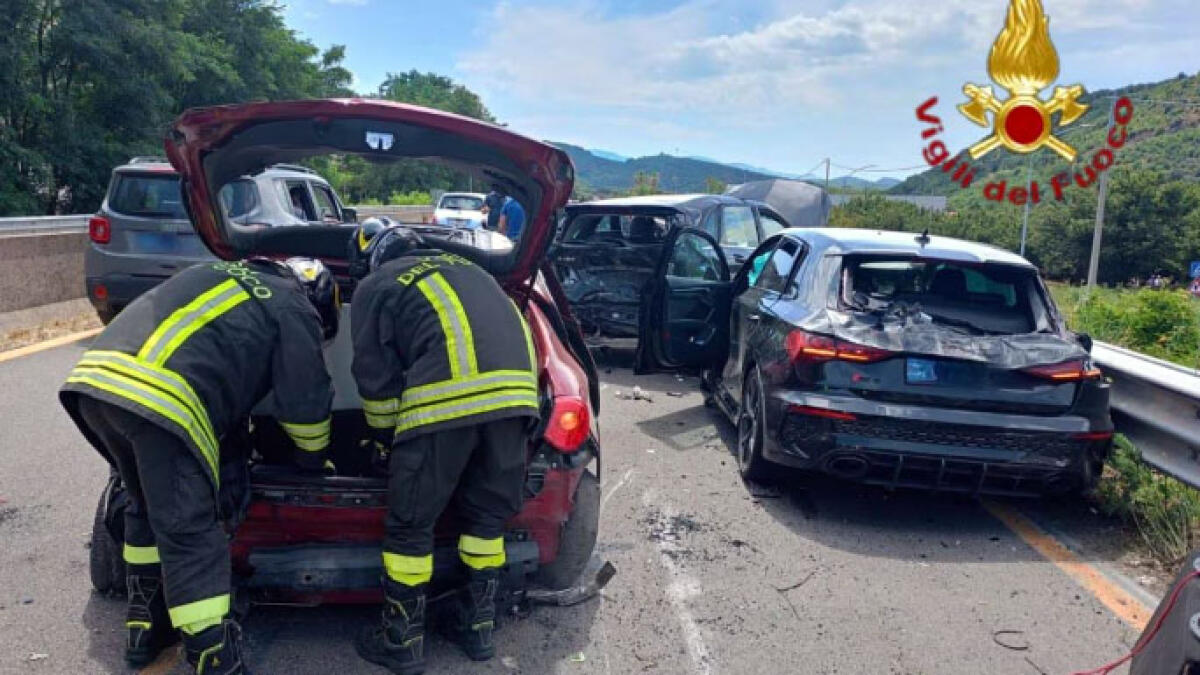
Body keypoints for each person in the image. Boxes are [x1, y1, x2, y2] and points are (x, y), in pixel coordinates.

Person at [59, 258, 339, 674]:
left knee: (144, 506)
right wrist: (313, 460)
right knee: (190, 531)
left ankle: (145, 626)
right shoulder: (293, 304)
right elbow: (304, 405)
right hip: (161, 401)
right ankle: (214, 656)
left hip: (95, 384)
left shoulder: (215, 274)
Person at [349, 225, 539, 675]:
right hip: (516, 401)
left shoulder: (377, 284)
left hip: (443, 405)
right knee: (486, 520)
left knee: (411, 525)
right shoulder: (478, 274)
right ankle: (478, 629)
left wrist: (383, 440)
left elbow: (375, 378)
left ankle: (401, 642)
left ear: (373, 261)